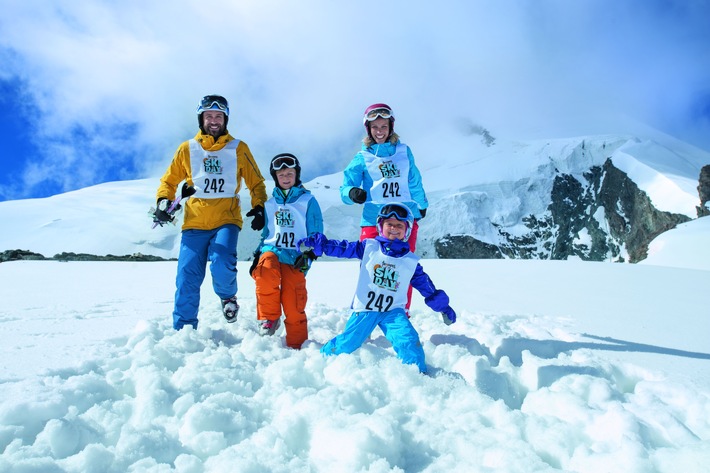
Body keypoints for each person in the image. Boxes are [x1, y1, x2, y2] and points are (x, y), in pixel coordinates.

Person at [298, 202, 456, 373]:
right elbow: (341, 248)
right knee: (349, 342)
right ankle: (322, 360)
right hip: (365, 308)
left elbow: (427, 288)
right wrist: (317, 244)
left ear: (407, 230)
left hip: (393, 312)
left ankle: (417, 375)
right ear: (381, 226)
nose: (394, 228)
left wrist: (443, 308)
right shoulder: (368, 247)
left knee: (408, 341)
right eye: (389, 224)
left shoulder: (410, 261)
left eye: (399, 225)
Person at [154, 94, 267, 330]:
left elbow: (256, 182)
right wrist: (163, 202)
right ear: (201, 119)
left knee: (222, 262)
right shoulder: (187, 148)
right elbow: (169, 181)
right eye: (209, 116)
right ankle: (184, 329)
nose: (213, 120)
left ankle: (228, 298)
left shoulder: (238, 148)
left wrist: (258, 207)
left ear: (225, 119)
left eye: (218, 116)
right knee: (187, 277)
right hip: (194, 223)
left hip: (226, 218)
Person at [340, 103, 429, 313]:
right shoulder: (362, 158)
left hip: (404, 218)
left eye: (383, 126)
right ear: (368, 129)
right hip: (373, 220)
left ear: (391, 127)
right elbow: (345, 186)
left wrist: (422, 205)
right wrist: (352, 193)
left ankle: (400, 312)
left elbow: (414, 180)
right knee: (369, 268)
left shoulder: (404, 152)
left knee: (403, 268)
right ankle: (363, 312)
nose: (379, 131)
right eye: (375, 127)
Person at [249, 153, 323, 349]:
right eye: (281, 175)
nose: (286, 177)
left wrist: (309, 255)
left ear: (296, 174)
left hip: (297, 257)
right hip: (272, 249)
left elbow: (316, 229)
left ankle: (298, 344)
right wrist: (257, 254)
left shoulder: (308, 201)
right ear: (275, 177)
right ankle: (269, 318)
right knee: (264, 270)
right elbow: (266, 233)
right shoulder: (270, 203)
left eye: (290, 173)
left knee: (293, 303)